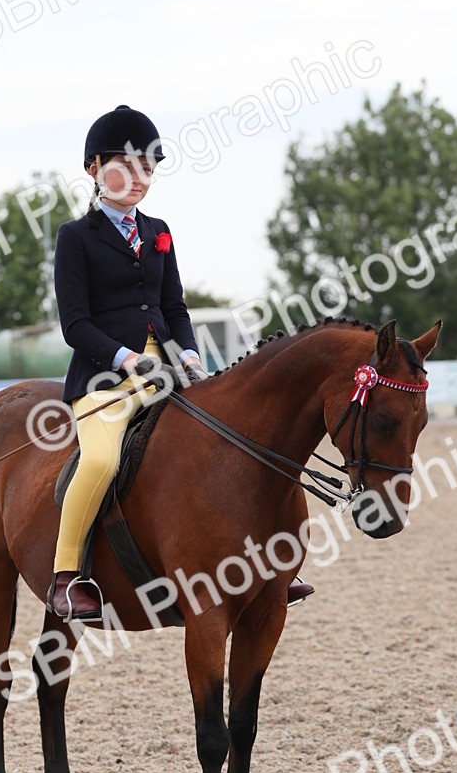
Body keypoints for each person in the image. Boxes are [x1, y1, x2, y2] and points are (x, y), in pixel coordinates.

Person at [47, 104, 313, 623]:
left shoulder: (159, 230)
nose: (140, 178)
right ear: (94, 169)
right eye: (127, 166)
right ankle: (65, 575)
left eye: (148, 168)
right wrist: (127, 359)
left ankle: (267, 562)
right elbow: (74, 324)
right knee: (102, 461)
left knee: (234, 438)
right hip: (105, 380)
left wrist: (188, 352)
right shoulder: (75, 238)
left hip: (169, 370)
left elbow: (174, 308)